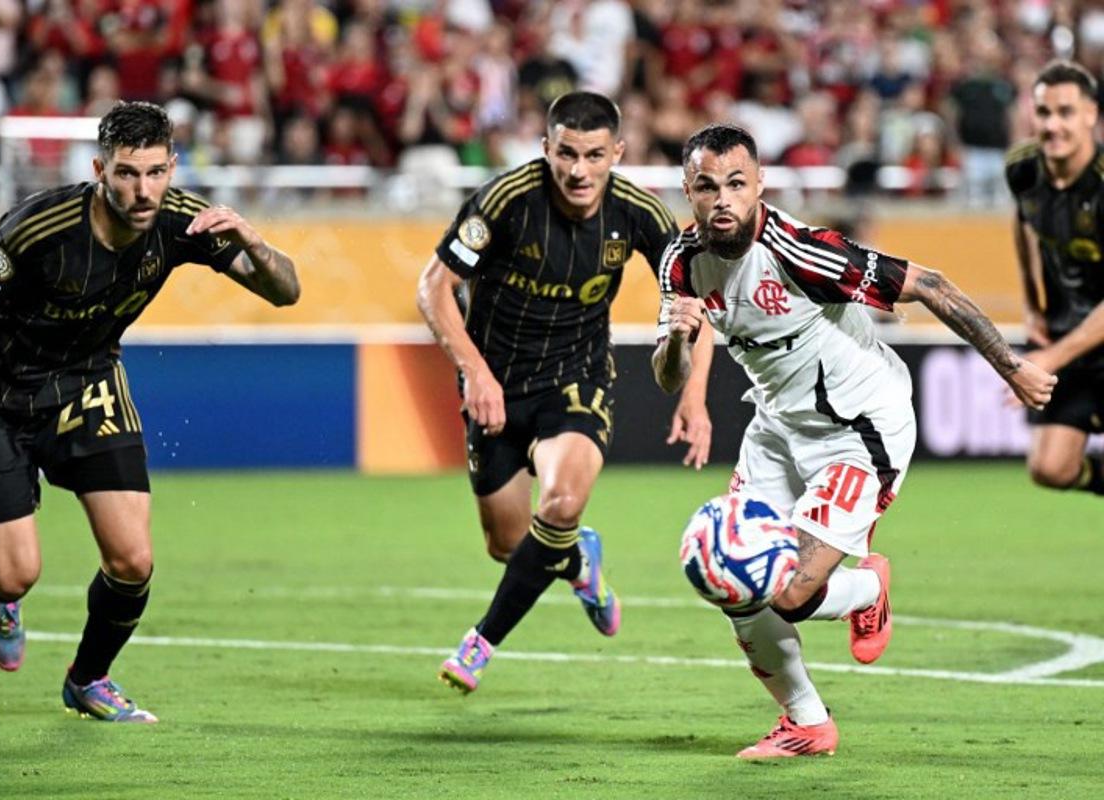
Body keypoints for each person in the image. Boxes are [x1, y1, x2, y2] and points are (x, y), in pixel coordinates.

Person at [653, 123, 1054, 758]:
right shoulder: (679, 262)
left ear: (760, 185)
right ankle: (806, 723)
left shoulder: (802, 252)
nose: (723, 198)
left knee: (787, 593)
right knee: (735, 584)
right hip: (778, 429)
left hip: (859, 430)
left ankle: (868, 587)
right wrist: (678, 338)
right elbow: (669, 372)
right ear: (688, 190)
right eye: (708, 186)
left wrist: (1013, 365)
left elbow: (930, 285)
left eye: (737, 183)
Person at [0, 100, 299, 723]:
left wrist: (256, 243)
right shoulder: (39, 230)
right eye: (127, 173)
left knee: (133, 561)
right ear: (100, 168)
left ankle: (88, 679)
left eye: (155, 172)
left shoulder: (186, 222)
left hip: (87, 384)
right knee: (18, 574)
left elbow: (286, 292)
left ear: (173, 167)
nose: (142, 189)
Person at [417, 90, 679, 693]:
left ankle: (480, 642)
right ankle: (577, 559)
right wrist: (475, 373)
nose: (578, 170)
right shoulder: (506, 201)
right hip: (497, 386)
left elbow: (688, 291)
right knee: (509, 544)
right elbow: (434, 287)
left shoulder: (639, 212)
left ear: (618, 151)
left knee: (559, 503)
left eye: (593, 155)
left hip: (577, 377)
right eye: (566, 153)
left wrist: (690, 389)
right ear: (546, 149)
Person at [1006, 60, 1104, 497]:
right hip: (1066, 332)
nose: (1053, 124)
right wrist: (1032, 304)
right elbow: (1024, 226)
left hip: (1084, 337)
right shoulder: (1024, 168)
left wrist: (1051, 358)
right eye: (1044, 112)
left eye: (1065, 112)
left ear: (1091, 115)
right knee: (1050, 469)